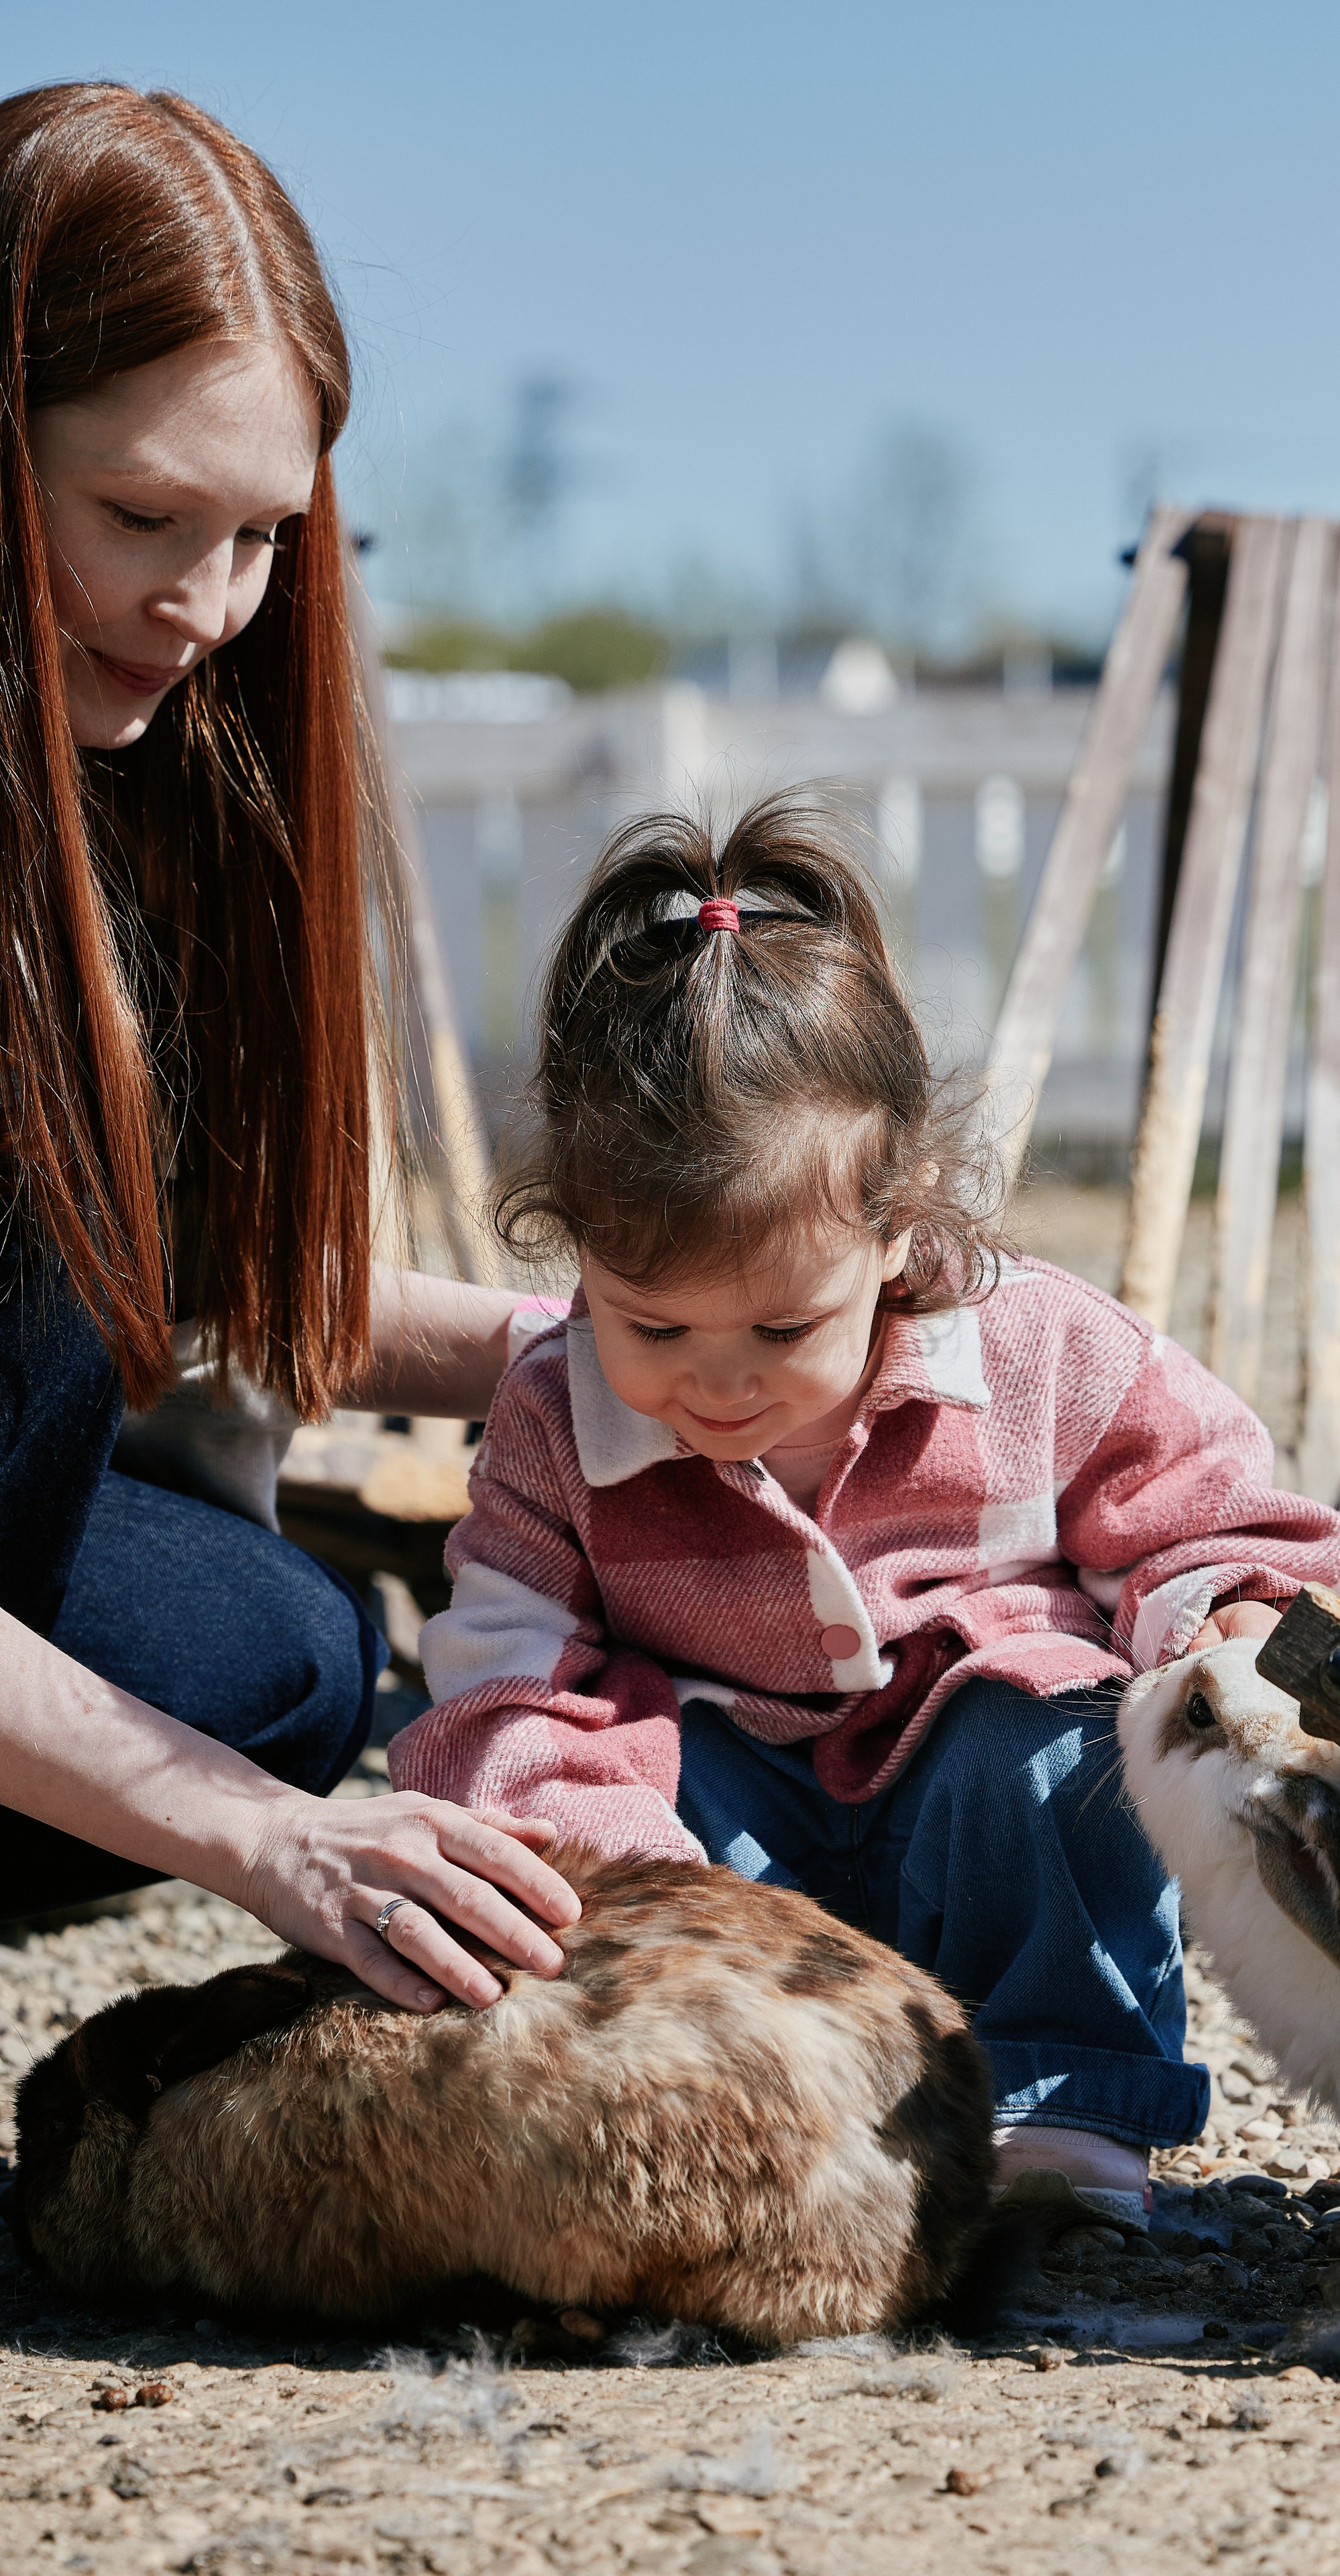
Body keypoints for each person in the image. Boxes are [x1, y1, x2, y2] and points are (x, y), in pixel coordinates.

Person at [390, 796, 1340, 2192]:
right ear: (574, 1252)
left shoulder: (1034, 1350)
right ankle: (770, 2112)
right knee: (588, 1841)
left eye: (784, 1331)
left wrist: (1223, 1629)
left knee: (1051, 1749)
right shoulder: (556, 1411)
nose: (715, 1387)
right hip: (730, 1811)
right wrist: (613, 1849)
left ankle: (1061, 2104)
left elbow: (1209, 1514)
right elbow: (500, 1679)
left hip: (972, 1799)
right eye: (651, 1329)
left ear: (898, 1218)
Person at [0, 80, 576, 2008]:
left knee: (275, 1649)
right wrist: (260, 1842)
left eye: (263, 536)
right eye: (142, 515)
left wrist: (578, 1356)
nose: (208, 605)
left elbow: (136, 1275)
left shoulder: (123, 775)